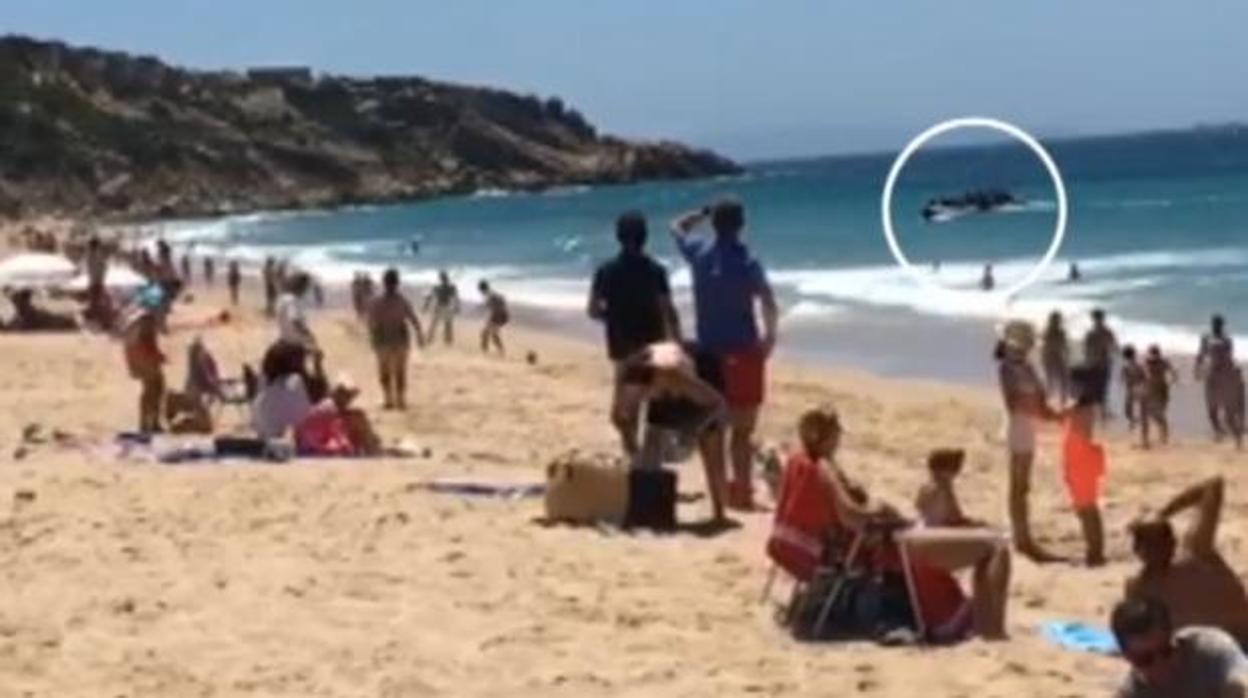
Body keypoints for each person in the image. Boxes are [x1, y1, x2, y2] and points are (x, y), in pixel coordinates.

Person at [783, 406, 1012, 640]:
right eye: (836, 434)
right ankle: (993, 630)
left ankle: (987, 626)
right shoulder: (825, 470)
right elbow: (852, 517)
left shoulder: (805, 463)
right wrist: (878, 510)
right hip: (891, 547)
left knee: (981, 541)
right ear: (827, 437)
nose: (839, 440)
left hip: (879, 545)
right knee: (995, 547)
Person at [671, 198, 778, 514]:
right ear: (742, 225)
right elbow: (768, 300)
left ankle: (719, 493)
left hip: (709, 354)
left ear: (715, 225)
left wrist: (700, 214)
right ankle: (742, 492)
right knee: (743, 432)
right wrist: (770, 337)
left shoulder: (699, 253)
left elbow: (676, 227)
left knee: (714, 429)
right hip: (744, 352)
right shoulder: (748, 261)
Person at [588, 211, 681, 457]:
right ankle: (644, 460)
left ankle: (636, 457)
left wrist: (613, 318)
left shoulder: (605, 272)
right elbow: (668, 310)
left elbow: (593, 310)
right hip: (654, 348)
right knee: (649, 407)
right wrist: (679, 344)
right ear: (645, 237)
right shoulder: (656, 271)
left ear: (618, 237)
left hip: (623, 350)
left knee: (624, 414)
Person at [1126, 477, 1248, 645]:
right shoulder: (1141, 590)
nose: (1157, 548)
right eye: (1152, 542)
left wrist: (1163, 513)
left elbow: (1213, 485)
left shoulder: (1197, 553)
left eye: (1161, 540)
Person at [995, 320, 1060, 562]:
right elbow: (1013, 404)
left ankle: (1023, 535)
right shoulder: (1007, 368)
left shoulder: (1028, 368)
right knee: (1018, 486)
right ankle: (1022, 539)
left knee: (1024, 486)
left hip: (1028, 427)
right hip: (1018, 427)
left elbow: (1040, 403)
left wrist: (1055, 415)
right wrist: (1039, 409)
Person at [1111, 596, 1248, 697]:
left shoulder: (1210, 650)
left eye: (1166, 652)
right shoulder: (1132, 693)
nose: (1160, 664)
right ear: (1127, 657)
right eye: (1146, 659)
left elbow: (1242, 682)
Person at [1062, 366, 1107, 566]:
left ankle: (1095, 551)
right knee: (1085, 508)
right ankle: (1094, 549)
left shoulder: (1082, 408)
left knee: (1087, 508)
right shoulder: (1082, 407)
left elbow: (1065, 417)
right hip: (1078, 457)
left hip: (1082, 459)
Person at [367, 268, 425, 410]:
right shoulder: (402, 300)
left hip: (382, 339)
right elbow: (413, 319)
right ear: (397, 283)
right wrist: (419, 335)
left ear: (383, 282)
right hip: (400, 339)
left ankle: (388, 399)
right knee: (400, 371)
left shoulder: (376, 301)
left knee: (384, 370)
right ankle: (400, 400)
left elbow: (372, 322)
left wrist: (372, 338)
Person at [295, 374, 382, 457]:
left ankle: (373, 449)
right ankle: (373, 450)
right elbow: (338, 436)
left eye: (349, 395)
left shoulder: (329, 406)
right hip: (313, 447)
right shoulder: (329, 408)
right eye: (346, 394)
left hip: (310, 443)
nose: (349, 399)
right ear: (338, 393)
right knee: (358, 419)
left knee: (357, 417)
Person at [252, 341, 315, 441]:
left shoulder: (264, 380)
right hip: (290, 439)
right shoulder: (296, 381)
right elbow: (304, 415)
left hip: (265, 438)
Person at [1196, 315, 1243, 446]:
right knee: (1211, 410)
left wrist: (1234, 374)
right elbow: (1201, 354)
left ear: (1222, 325)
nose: (1216, 326)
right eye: (1214, 324)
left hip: (1224, 376)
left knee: (1228, 412)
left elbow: (1229, 357)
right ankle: (1218, 431)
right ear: (1212, 324)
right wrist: (1197, 369)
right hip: (1211, 376)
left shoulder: (1227, 340)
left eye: (1218, 324)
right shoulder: (1206, 338)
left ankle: (1237, 437)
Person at [122, 304, 166, 433]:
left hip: (141, 361)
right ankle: (151, 424)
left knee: (151, 391)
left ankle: (147, 423)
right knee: (155, 390)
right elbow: (148, 343)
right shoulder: (147, 322)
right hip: (147, 362)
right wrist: (158, 357)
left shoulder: (140, 320)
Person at [915, 449, 987, 528]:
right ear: (942, 470)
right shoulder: (940, 490)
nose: (957, 472)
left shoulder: (926, 488)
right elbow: (952, 518)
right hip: (941, 533)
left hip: (931, 530)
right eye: (954, 468)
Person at [1084, 308, 1119, 421]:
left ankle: (1099, 414)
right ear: (1102, 318)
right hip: (1103, 363)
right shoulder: (1107, 332)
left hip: (1095, 363)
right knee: (1102, 389)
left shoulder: (1090, 333)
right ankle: (1102, 414)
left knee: (1096, 389)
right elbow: (1114, 347)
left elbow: (1087, 351)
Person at [1141, 345, 1178, 448]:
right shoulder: (1148, 362)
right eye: (1152, 354)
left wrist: (1173, 380)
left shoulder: (1163, 362)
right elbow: (1143, 374)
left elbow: (1174, 371)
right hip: (1152, 390)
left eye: (1154, 354)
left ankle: (1164, 436)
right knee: (1153, 414)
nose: (1153, 357)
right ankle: (1157, 437)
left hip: (1161, 390)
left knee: (1160, 413)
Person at [275, 272, 317, 352]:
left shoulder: (282, 298)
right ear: (301, 286)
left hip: (283, 337)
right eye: (306, 287)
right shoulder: (293, 301)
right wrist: (307, 334)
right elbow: (295, 320)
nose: (306, 290)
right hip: (294, 342)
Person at [1041, 311, 1070, 404]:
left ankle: (1056, 399)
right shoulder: (1056, 332)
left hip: (1052, 357)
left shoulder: (1050, 331)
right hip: (1053, 357)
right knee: (1058, 379)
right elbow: (1063, 346)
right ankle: (1058, 399)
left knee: (1053, 380)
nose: (1059, 322)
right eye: (1058, 320)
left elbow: (1063, 346)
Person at [424, 270, 460, 346]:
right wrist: (426, 306)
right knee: (435, 325)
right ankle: (429, 340)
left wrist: (457, 306)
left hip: (445, 307)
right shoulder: (440, 287)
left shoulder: (450, 287)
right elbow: (430, 297)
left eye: (444, 278)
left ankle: (447, 342)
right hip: (440, 307)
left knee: (446, 326)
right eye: (443, 278)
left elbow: (456, 298)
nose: (444, 279)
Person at [478, 280, 508, 355]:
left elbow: (492, 307)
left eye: (480, 290)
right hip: (502, 315)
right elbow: (502, 301)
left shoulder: (489, 295)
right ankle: (500, 351)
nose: (480, 293)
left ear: (482, 289)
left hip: (496, 316)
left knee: (486, 334)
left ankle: (485, 352)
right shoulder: (493, 293)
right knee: (490, 334)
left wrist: (490, 319)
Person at [1121, 345, 1146, 431]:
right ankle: (1137, 421)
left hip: (1133, 388)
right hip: (1138, 387)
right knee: (1137, 408)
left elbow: (1123, 378)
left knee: (1128, 410)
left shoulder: (1126, 366)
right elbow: (1144, 376)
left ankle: (1134, 421)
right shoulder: (1138, 365)